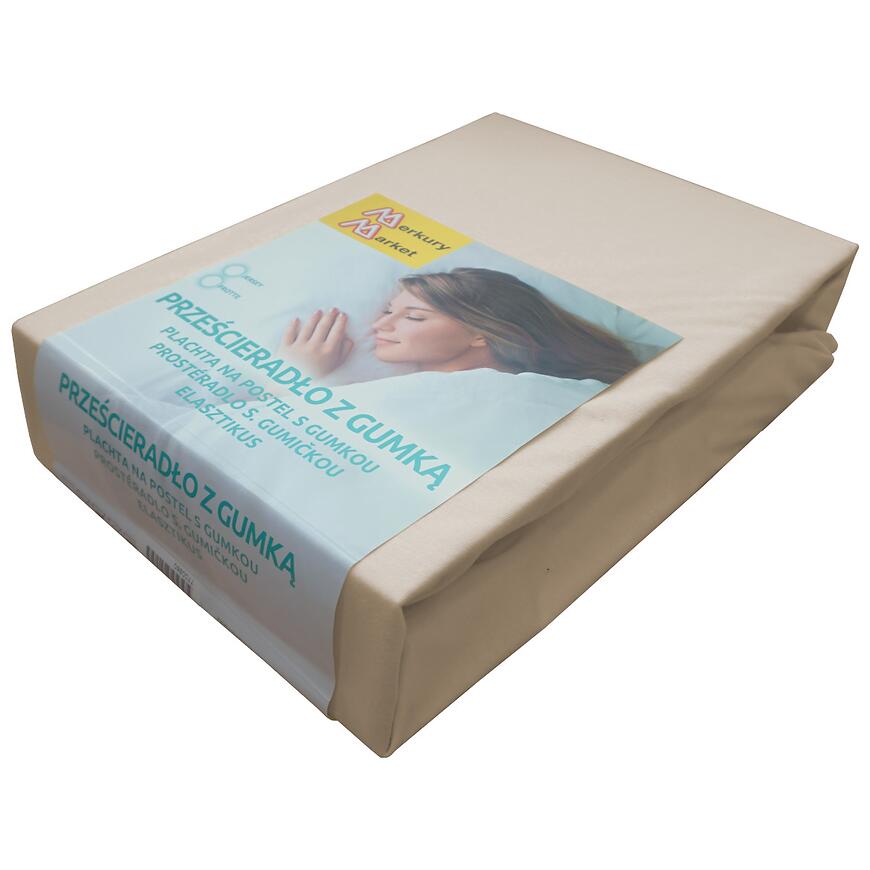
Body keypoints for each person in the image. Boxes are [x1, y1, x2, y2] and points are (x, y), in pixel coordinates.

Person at [278, 267, 638, 383]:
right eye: (388, 310)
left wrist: (293, 378)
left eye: (414, 316)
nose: (380, 325)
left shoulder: (508, 396)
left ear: (480, 333)